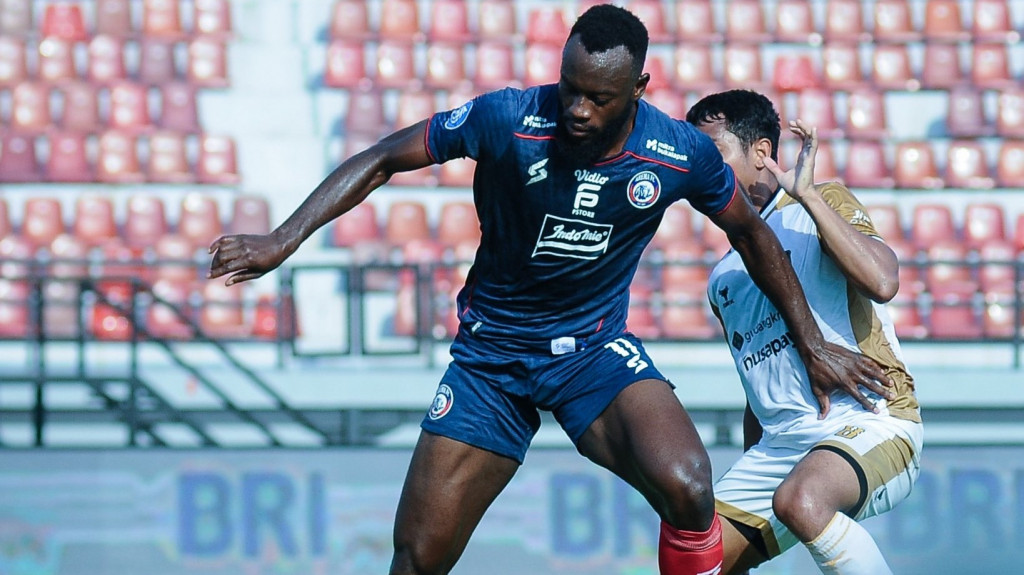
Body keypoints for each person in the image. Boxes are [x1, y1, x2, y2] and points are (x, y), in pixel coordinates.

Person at [208, 6, 892, 574]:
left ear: (639, 89)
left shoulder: (678, 152)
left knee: (689, 486)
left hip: (593, 353)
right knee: (417, 559)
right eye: (570, 87)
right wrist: (283, 238)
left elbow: (755, 235)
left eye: (599, 97)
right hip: (492, 360)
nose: (577, 109)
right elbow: (387, 155)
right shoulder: (508, 119)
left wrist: (812, 342)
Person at [686, 90, 923, 575]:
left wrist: (809, 195)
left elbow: (883, 281)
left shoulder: (817, 204)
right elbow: (759, 385)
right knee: (692, 559)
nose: (699, 172)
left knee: (802, 500)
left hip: (871, 420)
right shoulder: (723, 278)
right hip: (781, 448)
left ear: (761, 154)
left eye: (713, 155)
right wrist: (754, 460)